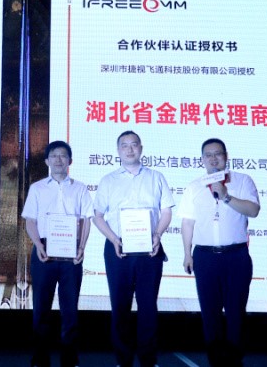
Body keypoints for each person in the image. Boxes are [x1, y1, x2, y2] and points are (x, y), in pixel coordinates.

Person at [92, 130, 175, 367]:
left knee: (148, 306)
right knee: (120, 306)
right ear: (118, 151)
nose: (130, 149)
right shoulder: (108, 180)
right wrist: (113, 239)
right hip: (118, 249)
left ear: (141, 148)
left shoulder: (156, 177)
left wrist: (157, 234)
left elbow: (166, 211)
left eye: (134, 144)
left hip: (150, 249)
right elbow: (97, 216)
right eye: (124, 145)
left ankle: (148, 359)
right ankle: (123, 359)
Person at [178, 138, 260, 367]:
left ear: (226, 156)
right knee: (210, 312)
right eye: (208, 155)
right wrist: (187, 253)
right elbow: (187, 223)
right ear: (202, 159)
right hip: (205, 257)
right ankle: (215, 361)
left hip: (236, 256)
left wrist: (225, 196)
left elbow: (253, 210)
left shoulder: (243, 181)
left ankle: (235, 361)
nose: (213, 159)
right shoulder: (194, 186)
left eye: (218, 154)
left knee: (236, 312)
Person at [22, 140, 94, 367]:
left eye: (63, 156)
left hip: (72, 252)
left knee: (70, 308)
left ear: (70, 161)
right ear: (47, 161)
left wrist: (81, 248)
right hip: (44, 250)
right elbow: (30, 221)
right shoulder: (37, 188)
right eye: (54, 156)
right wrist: (38, 245)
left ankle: (69, 357)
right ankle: (40, 357)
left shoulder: (80, 188)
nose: (59, 160)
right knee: (41, 307)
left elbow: (86, 220)